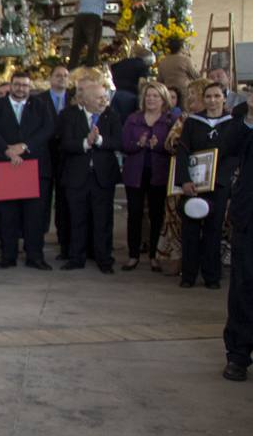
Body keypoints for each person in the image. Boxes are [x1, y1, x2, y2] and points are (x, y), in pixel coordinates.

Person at [0, 72, 56, 270]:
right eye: (17, 84)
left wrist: (24, 146)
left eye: (25, 85)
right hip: (6, 166)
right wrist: (7, 150)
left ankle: (35, 256)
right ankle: (8, 256)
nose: (21, 88)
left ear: (29, 87)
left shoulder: (41, 106)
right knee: (7, 215)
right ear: (11, 85)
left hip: (33, 167)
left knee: (34, 216)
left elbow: (48, 129)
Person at [176, 81, 239, 289]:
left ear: (224, 98)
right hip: (193, 184)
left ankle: (212, 276)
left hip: (218, 185)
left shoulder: (233, 123)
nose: (212, 100)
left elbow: (234, 156)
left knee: (214, 230)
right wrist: (185, 180)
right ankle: (188, 275)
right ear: (203, 99)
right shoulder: (192, 122)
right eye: (208, 96)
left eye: (217, 96)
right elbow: (183, 152)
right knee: (190, 229)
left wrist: (218, 179)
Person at [57, 74, 121, 273]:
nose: (103, 101)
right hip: (77, 177)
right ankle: (76, 258)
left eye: (105, 97)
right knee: (77, 219)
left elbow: (119, 142)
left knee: (103, 220)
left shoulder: (111, 115)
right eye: (99, 98)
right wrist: (86, 142)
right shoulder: (69, 116)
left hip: (102, 177)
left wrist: (99, 141)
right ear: (85, 100)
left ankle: (104, 259)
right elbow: (65, 143)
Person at [120, 81, 175, 272]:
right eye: (148, 96)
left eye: (155, 96)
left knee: (156, 215)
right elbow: (124, 145)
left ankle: (154, 255)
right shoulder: (133, 119)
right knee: (134, 213)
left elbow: (174, 147)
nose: (151, 99)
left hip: (159, 174)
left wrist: (158, 146)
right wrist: (139, 144)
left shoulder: (169, 120)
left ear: (163, 99)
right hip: (135, 173)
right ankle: (133, 255)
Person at [222, 100, 253, 381]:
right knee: (244, 284)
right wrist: (250, 116)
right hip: (249, 213)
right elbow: (229, 147)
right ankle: (238, 355)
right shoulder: (243, 112)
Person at [35, 65, 72, 260]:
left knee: (64, 200)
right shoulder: (39, 100)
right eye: (58, 75)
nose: (62, 78)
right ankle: (38, 241)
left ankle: (64, 241)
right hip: (45, 155)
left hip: (67, 156)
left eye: (65, 75)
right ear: (50, 78)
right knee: (42, 200)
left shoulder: (74, 98)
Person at [69, 0, 114, 67]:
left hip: (79, 18)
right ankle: (92, 69)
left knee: (76, 47)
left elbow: (77, 6)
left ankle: (71, 69)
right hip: (93, 18)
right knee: (93, 46)